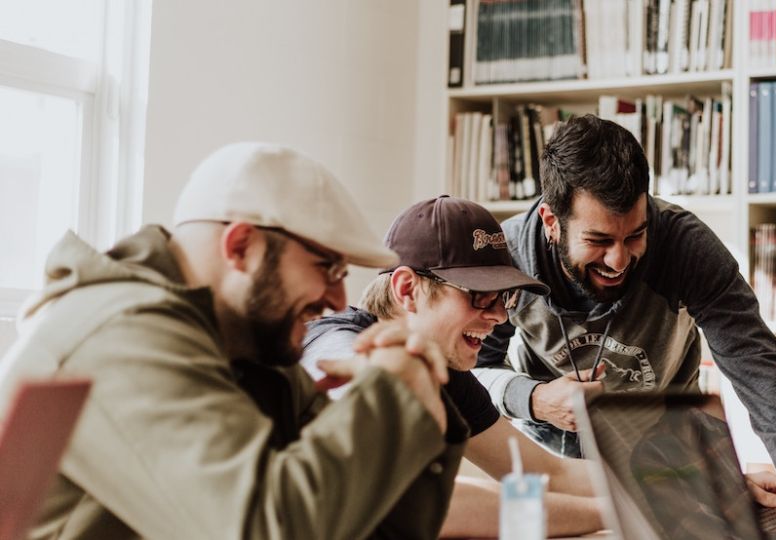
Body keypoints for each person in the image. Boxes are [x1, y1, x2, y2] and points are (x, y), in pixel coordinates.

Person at [0, 142, 464, 539]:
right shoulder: (120, 335)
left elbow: (376, 527)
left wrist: (421, 399)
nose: (338, 299)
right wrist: (391, 395)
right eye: (327, 267)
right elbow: (265, 527)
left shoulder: (250, 348)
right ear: (241, 246)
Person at [472, 114, 776, 495]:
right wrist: (533, 398)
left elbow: (756, 364)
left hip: (668, 457)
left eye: (635, 235)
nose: (619, 260)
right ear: (551, 221)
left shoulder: (685, 246)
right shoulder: (507, 256)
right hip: (552, 464)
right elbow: (471, 371)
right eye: (599, 241)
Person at [301, 195, 603, 538]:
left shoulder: (444, 370)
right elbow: (423, 501)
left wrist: (657, 484)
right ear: (407, 290)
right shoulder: (334, 346)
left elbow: (545, 473)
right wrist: (611, 513)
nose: (500, 316)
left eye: (503, 298)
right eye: (480, 295)